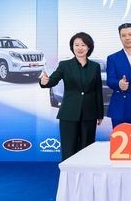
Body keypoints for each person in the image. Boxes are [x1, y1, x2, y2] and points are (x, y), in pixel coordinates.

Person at [39, 32, 104, 161]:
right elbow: (52, 80)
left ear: (89, 47)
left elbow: (98, 91)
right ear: (72, 47)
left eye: (83, 45)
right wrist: (44, 81)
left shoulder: (95, 67)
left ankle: (85, 173)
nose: (80, 48)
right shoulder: (64, 65)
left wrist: (100, 114)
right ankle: (68, 174)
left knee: (87, 149)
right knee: (69, 149)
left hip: (89, 114)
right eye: (76, 45)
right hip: (69, 113)